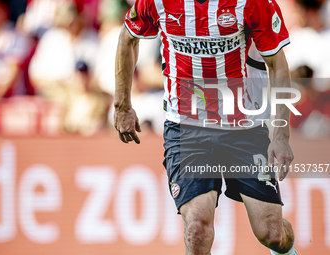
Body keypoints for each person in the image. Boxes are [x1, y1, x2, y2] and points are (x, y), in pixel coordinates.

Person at [114, 0, 297, 254]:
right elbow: (128, 37)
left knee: (272, 234)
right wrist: (122, 106)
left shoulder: (252, 2)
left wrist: (280, 135)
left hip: (244, 128)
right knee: (196, 231)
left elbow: (277, 63)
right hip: (186, 129)